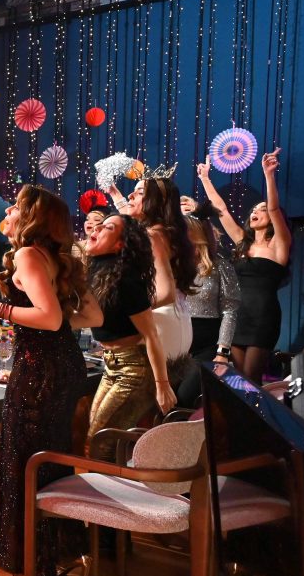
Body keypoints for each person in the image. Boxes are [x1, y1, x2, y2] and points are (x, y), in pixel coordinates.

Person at [0, 185, 98, 576]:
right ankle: (54, 554)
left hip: (39, 371)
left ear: (33, 217)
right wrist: (52, 325)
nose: (8, 210)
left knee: (23, 460)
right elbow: (92, 315)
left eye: (16, 207)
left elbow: (49, 317)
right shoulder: (57, 257)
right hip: (63, 366)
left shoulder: (27, 255)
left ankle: (26, 569)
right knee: (49, 456)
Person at [85, 213, 176, 458]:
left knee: (98, 442)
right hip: (111, 364)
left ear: (119, 244)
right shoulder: (97, 270)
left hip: (133, 369)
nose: (97, 229)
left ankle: (106, 483)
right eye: (98, 225)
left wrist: (162, 385)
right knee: (97, 440)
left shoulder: (126, 278)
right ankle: (108, 480)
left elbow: (151, 335)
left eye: (107, 227)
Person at [198, 150, 291, 384]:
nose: (255, 212)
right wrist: (205, 179)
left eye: (261, 209)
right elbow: (221, 210)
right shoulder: (242, 242)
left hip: (262, 316)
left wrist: (268, 175)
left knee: (251, 380)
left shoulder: (279, 243)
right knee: (237, 381)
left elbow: (274, 209)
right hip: (237, 316)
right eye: (253, 210)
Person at [112, 171, 198, 362]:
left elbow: (166, 292)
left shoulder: (152, 236)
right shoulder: (166, 233)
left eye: (139, 192)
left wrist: (123, 312)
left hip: (159, 323)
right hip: (175, 321)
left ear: (156, 201)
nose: (130, 196)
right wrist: (115, 194)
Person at [176, 207, 240, 407]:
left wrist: (223, 352)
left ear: (196, 234)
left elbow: (230, 311)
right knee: (166, 398)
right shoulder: (174, 265)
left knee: (185, 397)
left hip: (207, 346)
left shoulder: (220, 266)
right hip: (176, 344)